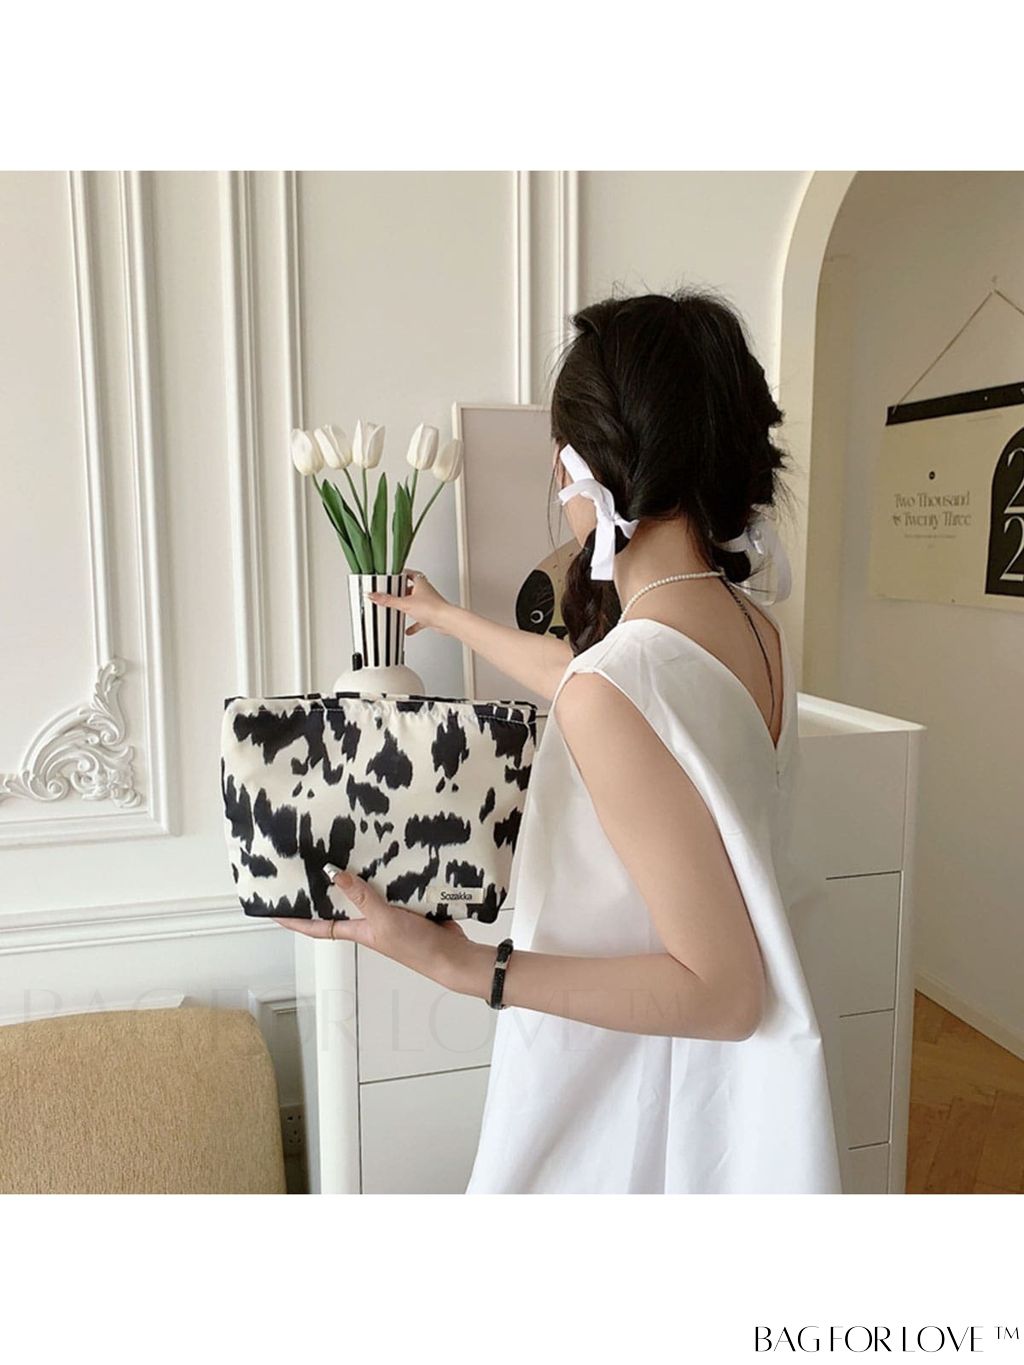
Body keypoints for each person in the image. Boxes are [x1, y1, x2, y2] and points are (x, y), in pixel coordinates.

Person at [273, 287, 844, 1194]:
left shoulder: (620, 684)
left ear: (590, 466)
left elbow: (722, 992)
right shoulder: (750, 629)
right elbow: (589, 681)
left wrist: (463, 964)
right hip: (728, 1100)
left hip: (628, 1101)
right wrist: (445, 616)